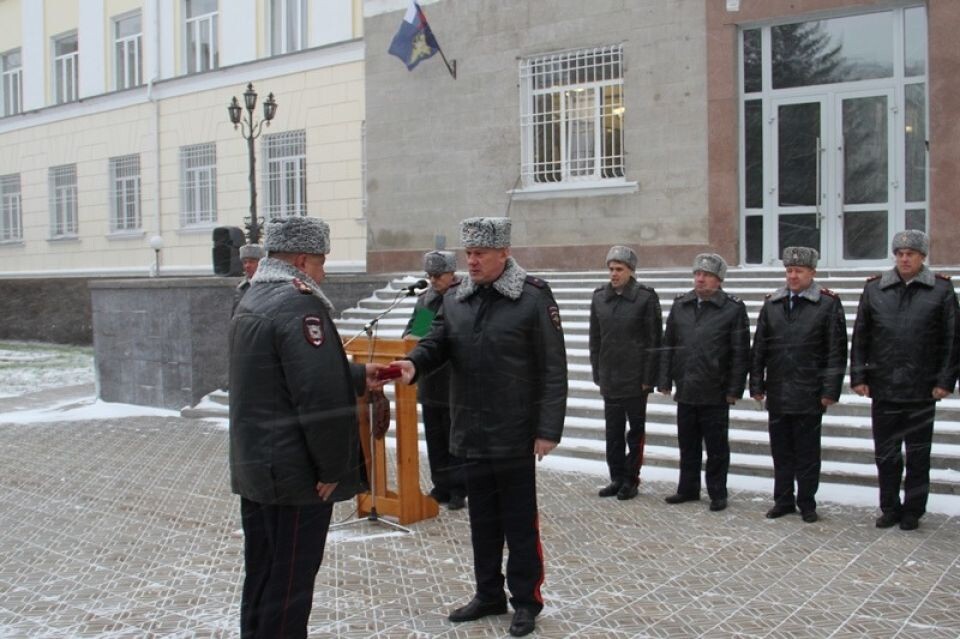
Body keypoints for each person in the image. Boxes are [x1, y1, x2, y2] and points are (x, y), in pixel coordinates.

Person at [390, 217, 567, 638]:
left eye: (480, 254)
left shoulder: (532, 298)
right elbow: (434, 341)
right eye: (468, 253)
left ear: (503, 254)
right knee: (482, 521)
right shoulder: (455, 299)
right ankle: (489, 593)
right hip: (468, 427)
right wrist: (413, 363)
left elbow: (553, 368)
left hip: (514, 430)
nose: (471, 261)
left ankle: (527, 600)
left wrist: (547, 429)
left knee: (519, 525)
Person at [229, 216, 384, 638]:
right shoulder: (298, 305)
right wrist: (333, 470)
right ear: (300, 260)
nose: (324, 272)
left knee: (262, 575)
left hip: (259, 467)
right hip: (297, 476)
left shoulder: (253, 298)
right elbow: (316, 395)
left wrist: (355, 375)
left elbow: (277, 377)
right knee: (291, 585)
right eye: (320, 262)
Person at [850, 230, 959, 531]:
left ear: (922, 257)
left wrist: (944, 381)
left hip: (921, 389)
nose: (904, 258)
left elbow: (951, 340)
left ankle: (913, 510)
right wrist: (859, 375)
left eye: (910, 254)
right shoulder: (875, 289)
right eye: (899, 253)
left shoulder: (940, 290)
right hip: (884, 387)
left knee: (918, 455)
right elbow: (862, 336)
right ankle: (889, 507)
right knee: (886, 455)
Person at [750, 247, 847, 523]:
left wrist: (830, 390)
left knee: (807, 453)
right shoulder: (773, 304)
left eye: (799, 271)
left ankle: (807, 502)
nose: (793, 276)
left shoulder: (827, 304)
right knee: (781, 452)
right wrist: (757, 383)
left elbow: (836, 351)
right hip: (779, 390)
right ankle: (783, 500)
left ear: (812, 273)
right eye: (789, 270)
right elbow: (759, 348)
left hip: (809, 392)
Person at [658, 253, 749, 512]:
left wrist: (734, 389)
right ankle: (687, 488)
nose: (700, 279)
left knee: (717, 447)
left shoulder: (732, 308)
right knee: (688, 444)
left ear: (718, 280)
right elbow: (668, 345)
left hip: (715, 390)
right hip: (686, 387)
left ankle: (717, 492)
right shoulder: (681, 305)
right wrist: (665, 379)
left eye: (706, 275)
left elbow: (740, 352)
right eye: (697, 274)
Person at [589, 245, 662, 500]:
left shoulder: (645, 298)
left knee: (635, 432)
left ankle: (631, 479)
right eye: (611, 269)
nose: (614, 274)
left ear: (631, 271)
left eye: (619, 269)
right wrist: (597, 371)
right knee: (613, 433)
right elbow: (595, 339)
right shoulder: (599, 297)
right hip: (610, 377)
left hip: (635, 379)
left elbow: (654, 341)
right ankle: (616, 477)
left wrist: (648, 378)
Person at [402, 250, 467, 510]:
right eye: (429, 275)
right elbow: (413, 332)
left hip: (456, 380)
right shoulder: (426, 301)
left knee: (456, 439)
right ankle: (441, 486)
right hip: (431, 380)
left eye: (438, 275)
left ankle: (458, 490)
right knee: (435, 438)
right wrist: (416, 340)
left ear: (452, 274)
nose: (433, 280)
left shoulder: (463, 298)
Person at [232, 243, 264, 316]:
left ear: (261, 263)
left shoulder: (269, 286)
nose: (247, 265)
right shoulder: (241, 288)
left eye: (252, 262)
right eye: (245, 262)